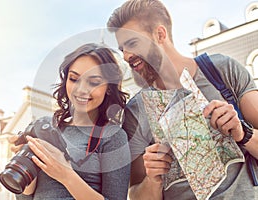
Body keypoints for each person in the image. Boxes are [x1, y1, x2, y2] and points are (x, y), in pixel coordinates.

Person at [107, 0, 258, 199]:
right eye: (122, 49)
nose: (126, 56)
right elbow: (135, 195)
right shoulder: (135, 110)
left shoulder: (222, 70)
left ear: (160, 34)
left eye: (132, 43)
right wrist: (152, 179)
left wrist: (242, 132)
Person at [8, 43, 131, 200]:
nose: (81, 89)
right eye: (74, 79)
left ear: (108, 87)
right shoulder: (47, 129)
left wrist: (65, 174)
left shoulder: (113, 137)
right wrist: (26, 165)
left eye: (93, 82)